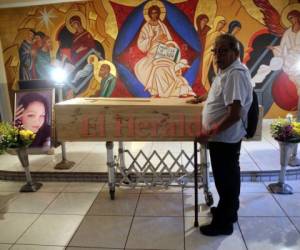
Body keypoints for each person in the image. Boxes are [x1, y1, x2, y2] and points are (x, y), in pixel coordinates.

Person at [188, 34, 252, 236]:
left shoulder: (236, 74)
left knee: (226, 180)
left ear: (235, 52)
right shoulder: (227, 71)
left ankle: (224, 223)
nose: (218, 55)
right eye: (216, 51)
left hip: (225, 138)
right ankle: (228, 212)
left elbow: (235, 113)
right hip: (221, 138)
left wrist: (209, 132)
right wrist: (203, 98)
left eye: (223, 51)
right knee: (225, 178)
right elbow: (221, 91)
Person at [201, 16, 226, 91]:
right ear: (216, 23)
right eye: (220, 23)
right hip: (208, 56)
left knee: (217, 73)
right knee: (207, 73)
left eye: (223, 24)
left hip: (217, 57)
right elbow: (206, 45)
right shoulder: (209, 33)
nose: (221, 25)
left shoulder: (222, 34)